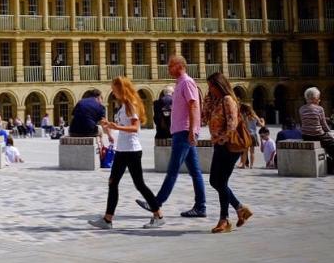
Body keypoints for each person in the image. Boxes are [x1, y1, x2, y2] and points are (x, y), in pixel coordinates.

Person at [89, 77, 164, 230]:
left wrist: (115, 127)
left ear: (121, 89)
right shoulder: (124, 105)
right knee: (113, 182)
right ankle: (107, 219)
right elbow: (124, 125)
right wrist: (110, 125)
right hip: (122, 150)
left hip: (132, 150)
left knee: (139, 185)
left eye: (114, 89)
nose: (113, 91)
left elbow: (135, 127)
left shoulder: (130, 104)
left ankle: (158, 215)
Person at [137, 55, 207, 219]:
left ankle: (156, 203)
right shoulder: (180, 83)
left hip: (184, 132)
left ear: (179, 66)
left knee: (172, 170)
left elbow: (193, 105)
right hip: (181, 131)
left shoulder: (187, 82)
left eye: (170, 66)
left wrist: (191, 130)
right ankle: (200, 207)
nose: (167, 69)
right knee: (195, 172)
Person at [202, 71, 253, 234]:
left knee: (219, 182)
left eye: (211, 86)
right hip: (220, 145)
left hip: (229, 146)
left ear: (219, 85)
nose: (210, 89)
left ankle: (225, 220)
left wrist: (222, 139)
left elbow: (233, 123)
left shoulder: (227, 99)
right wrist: (207, 100)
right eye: (208, 87)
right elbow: (204, 119)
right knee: (216, 181)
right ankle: (239, 208)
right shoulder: (216, 101)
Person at [298, 87, 334, 164]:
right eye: (318, 97)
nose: (319, 99)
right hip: (317, 134)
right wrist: (330, 132)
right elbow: (323, 124)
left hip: (305, 135)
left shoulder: (301, 109)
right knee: (331, 143)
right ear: (315, 98)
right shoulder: (319, 109)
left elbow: (302, 123)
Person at [239, 103, 264, 169]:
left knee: (245, 151)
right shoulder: (254, 116)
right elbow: (261, 125)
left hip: (246, 135)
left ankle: (243, 165)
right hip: (253, 135)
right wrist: (263, 121)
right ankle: (251, 166)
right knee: (252, 152)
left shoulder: (243, 116)